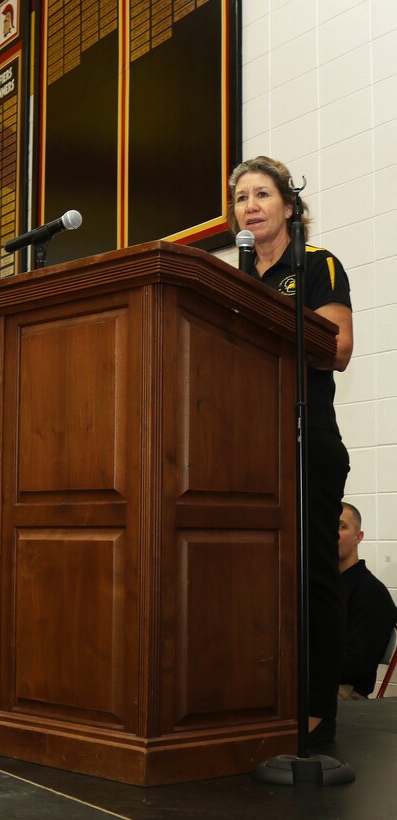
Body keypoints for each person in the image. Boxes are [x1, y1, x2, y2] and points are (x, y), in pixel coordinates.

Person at [228, 156, 354, 745]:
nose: (249, 205)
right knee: (257, 580)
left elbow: (338, 346)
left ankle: (317, 710)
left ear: (288, 206)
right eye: (240, 197)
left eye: (261, 194)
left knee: (313, 579)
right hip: (254, 447)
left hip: (310, 441)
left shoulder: (318, 265)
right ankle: (262, 702)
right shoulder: (240, 278)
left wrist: (271, 327)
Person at [338, 502, 397, 699]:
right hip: (318, 681)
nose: (332, 533)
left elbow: (355, 666)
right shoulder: (323, 588)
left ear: (359, 537)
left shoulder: (371, 593)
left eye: (341, 526)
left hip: (345, 691)